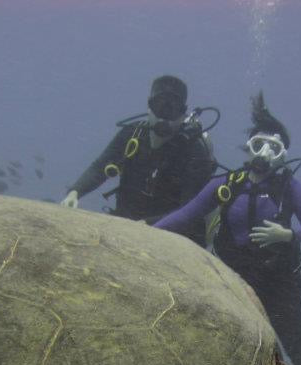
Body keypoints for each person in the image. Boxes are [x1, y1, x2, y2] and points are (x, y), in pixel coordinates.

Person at [155, 92, 301, 365]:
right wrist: (148, 232)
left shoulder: (290, 187)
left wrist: (289, 235)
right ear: (248, 147)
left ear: (283, 154)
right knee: (222, 349)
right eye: (258, 144)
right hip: (233, 281)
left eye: (273, 148)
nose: (263, 153)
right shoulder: (227, 184)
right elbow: (187, 214)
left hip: (279, 283)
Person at [61, 75, 216, 245]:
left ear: (182, 113)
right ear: (149, 107)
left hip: (170, 236)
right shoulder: (132, 134)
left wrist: (148, 225)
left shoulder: (193, 151)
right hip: (126, 224)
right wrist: (75, 192)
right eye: (160, 106)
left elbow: (190, 210)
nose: (165, 115)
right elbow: (100, 167)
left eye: (172, 108)